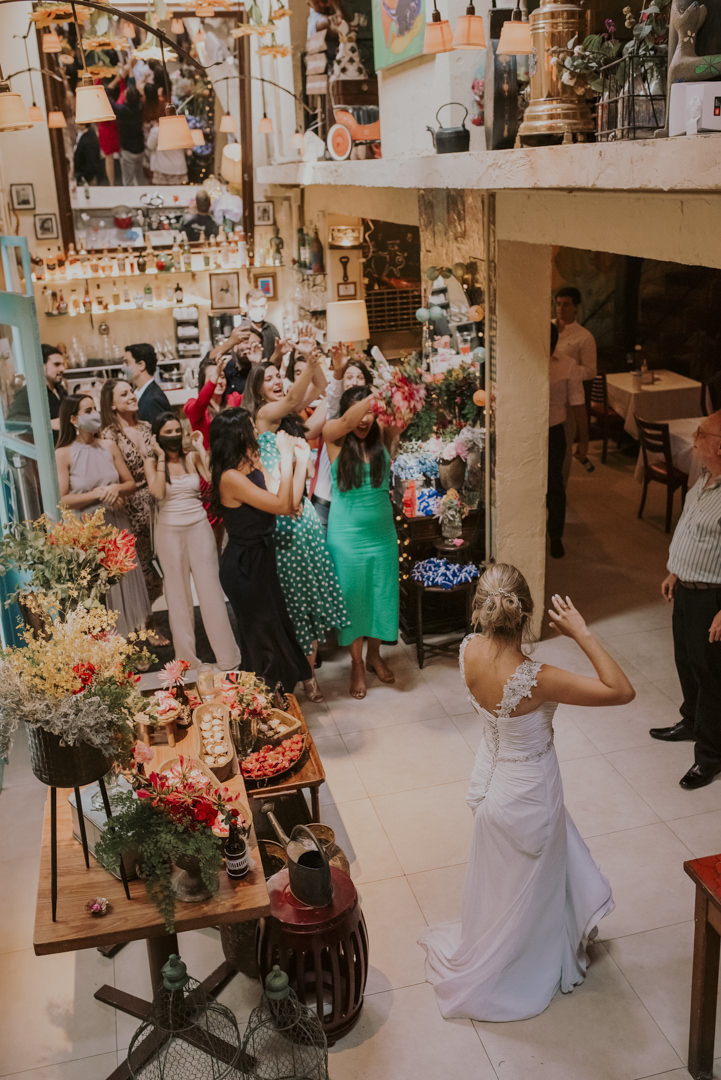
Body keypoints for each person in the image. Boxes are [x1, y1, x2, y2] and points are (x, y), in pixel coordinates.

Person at [419, 564, 634, 1022]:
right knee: (533, 879)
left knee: (505, 883)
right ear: (527, 614)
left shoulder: (467, 651)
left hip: (492, 785)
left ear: (481, 609)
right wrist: (582, 634)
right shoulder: (537, 677)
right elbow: (621, 691)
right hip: (532, 791)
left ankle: (502, 947)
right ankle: (526, 963)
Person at [243, 358, 346, 701]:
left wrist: (312, 358)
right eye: (268, 378)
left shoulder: (290, 425)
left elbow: (321, 392)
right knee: (291, 603)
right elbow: (291, 399)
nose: (276, 380)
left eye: (278, 376)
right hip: (279, 523)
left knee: (310, 597)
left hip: (304, 523)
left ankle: (310, 674)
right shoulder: (261, 419)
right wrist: (309, 363)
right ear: (256, 388)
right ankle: (300, 674)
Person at [209, 408, 311, 691]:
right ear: (238, 435)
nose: (256, 431)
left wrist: (298, 462)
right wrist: (285, 457)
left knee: (274, 631)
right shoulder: (229, 477)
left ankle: (275, 703)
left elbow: (288, 504)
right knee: (261, 639)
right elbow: (280, 505)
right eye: (251, 427)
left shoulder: (250, 465)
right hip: (244, 567)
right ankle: (262, 705)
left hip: (262, 561)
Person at [650, 411, 721, 789]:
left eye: (700, 433)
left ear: (719, 446)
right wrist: (675, 570)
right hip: (686, 588)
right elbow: (690, 527)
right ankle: (690, 722)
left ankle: (709, 755)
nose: (693, 439)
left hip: (713, 597)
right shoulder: (705, 479)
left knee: (710, 675)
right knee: (685, 660)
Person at [144, 412, 240, 671]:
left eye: (178, 430)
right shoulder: (152, 462)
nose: (174, 436)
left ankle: (227, 656)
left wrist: (200, 449)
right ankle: (187, 660)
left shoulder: (192, 457)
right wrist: (162, 457)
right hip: (169, 531)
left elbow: (211, 483)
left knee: (210, 591)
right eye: (168, 432)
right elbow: (157, 492)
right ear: (157, 437)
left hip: (199, 525)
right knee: (177, 596)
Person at [324, 386, 399, 700]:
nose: (365, 419)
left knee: (382, 597)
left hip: (382, 535)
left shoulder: (381, 435)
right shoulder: (334, 436)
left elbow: (400, 419)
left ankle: (374, 655)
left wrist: (399, 392)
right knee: (354, 602)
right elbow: (345, 422)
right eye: (359, 413)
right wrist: (372, 398)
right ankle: (356, 664)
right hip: (347, 539)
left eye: (370, 412)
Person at [55, 393, 150, 637]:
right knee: (97, 593)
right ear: (74, 419)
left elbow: (130, 483)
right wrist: (98, 494)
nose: (94, 415)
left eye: (95, 409)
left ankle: (128, 643)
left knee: (122, 586)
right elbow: (63, 499)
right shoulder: (64, 453)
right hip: (87, 532)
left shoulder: (108, 446)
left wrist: (115, 489)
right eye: (88, 411)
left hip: (116, 524)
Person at [99, 378, 166, 643]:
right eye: (123, 394)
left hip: (158, 502)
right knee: (138, 573)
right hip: (129, 506)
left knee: (158, 570)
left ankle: (147, 621)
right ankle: (143, 628)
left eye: (131, 391)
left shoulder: (148, 427)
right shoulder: (108, 435)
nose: (131, 396)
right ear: (112, 404)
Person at [310, 348, 374, 527]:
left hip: (356, 504)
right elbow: (334, 397)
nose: (355, 381)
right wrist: (338, 372)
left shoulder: (371, 418)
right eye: (350, 377)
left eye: (360, 377)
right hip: (326, 503)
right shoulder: (336, 413)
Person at [548, 323, 588, 560]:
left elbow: (578, 405)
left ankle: (555, 536)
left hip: (554, 432)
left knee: (555, 485)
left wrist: (584, 439)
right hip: (527, 434)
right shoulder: (524, 361)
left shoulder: (567, 365)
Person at [8, 344, 67, 441]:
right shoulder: (30, 392)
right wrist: (47, 423)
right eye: (56, 364)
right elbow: (12, 421)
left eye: (63, 364)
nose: (62, 369)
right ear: (41, 367)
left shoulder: (61, 390)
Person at [184, 353, 242, 450]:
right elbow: (201, 402)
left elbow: (252, 393)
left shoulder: (233, 399)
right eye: (214, 377)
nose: (219, 381)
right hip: (207, 460)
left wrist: (256, 364)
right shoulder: (192, 404)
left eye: (222, 377)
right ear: (203, 382)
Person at [122, 343, 171, 424]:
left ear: (141, 365)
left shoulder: (153, 399)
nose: (123, 367)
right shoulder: (139, 392)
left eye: (127, 363)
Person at [145, 121, 188, 186]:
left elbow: (150, 145)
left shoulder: (157, 131)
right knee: (178, 193)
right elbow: (187, 146)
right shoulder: (181, 128)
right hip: (178, 168)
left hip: (162, 167)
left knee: (162, 193)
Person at [245, 289, 281, 361]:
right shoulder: (241, 331)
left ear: (266, 307)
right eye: (254, 306)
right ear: (247, 307)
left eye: (262, 306)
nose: (258, 310)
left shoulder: (272, 329)